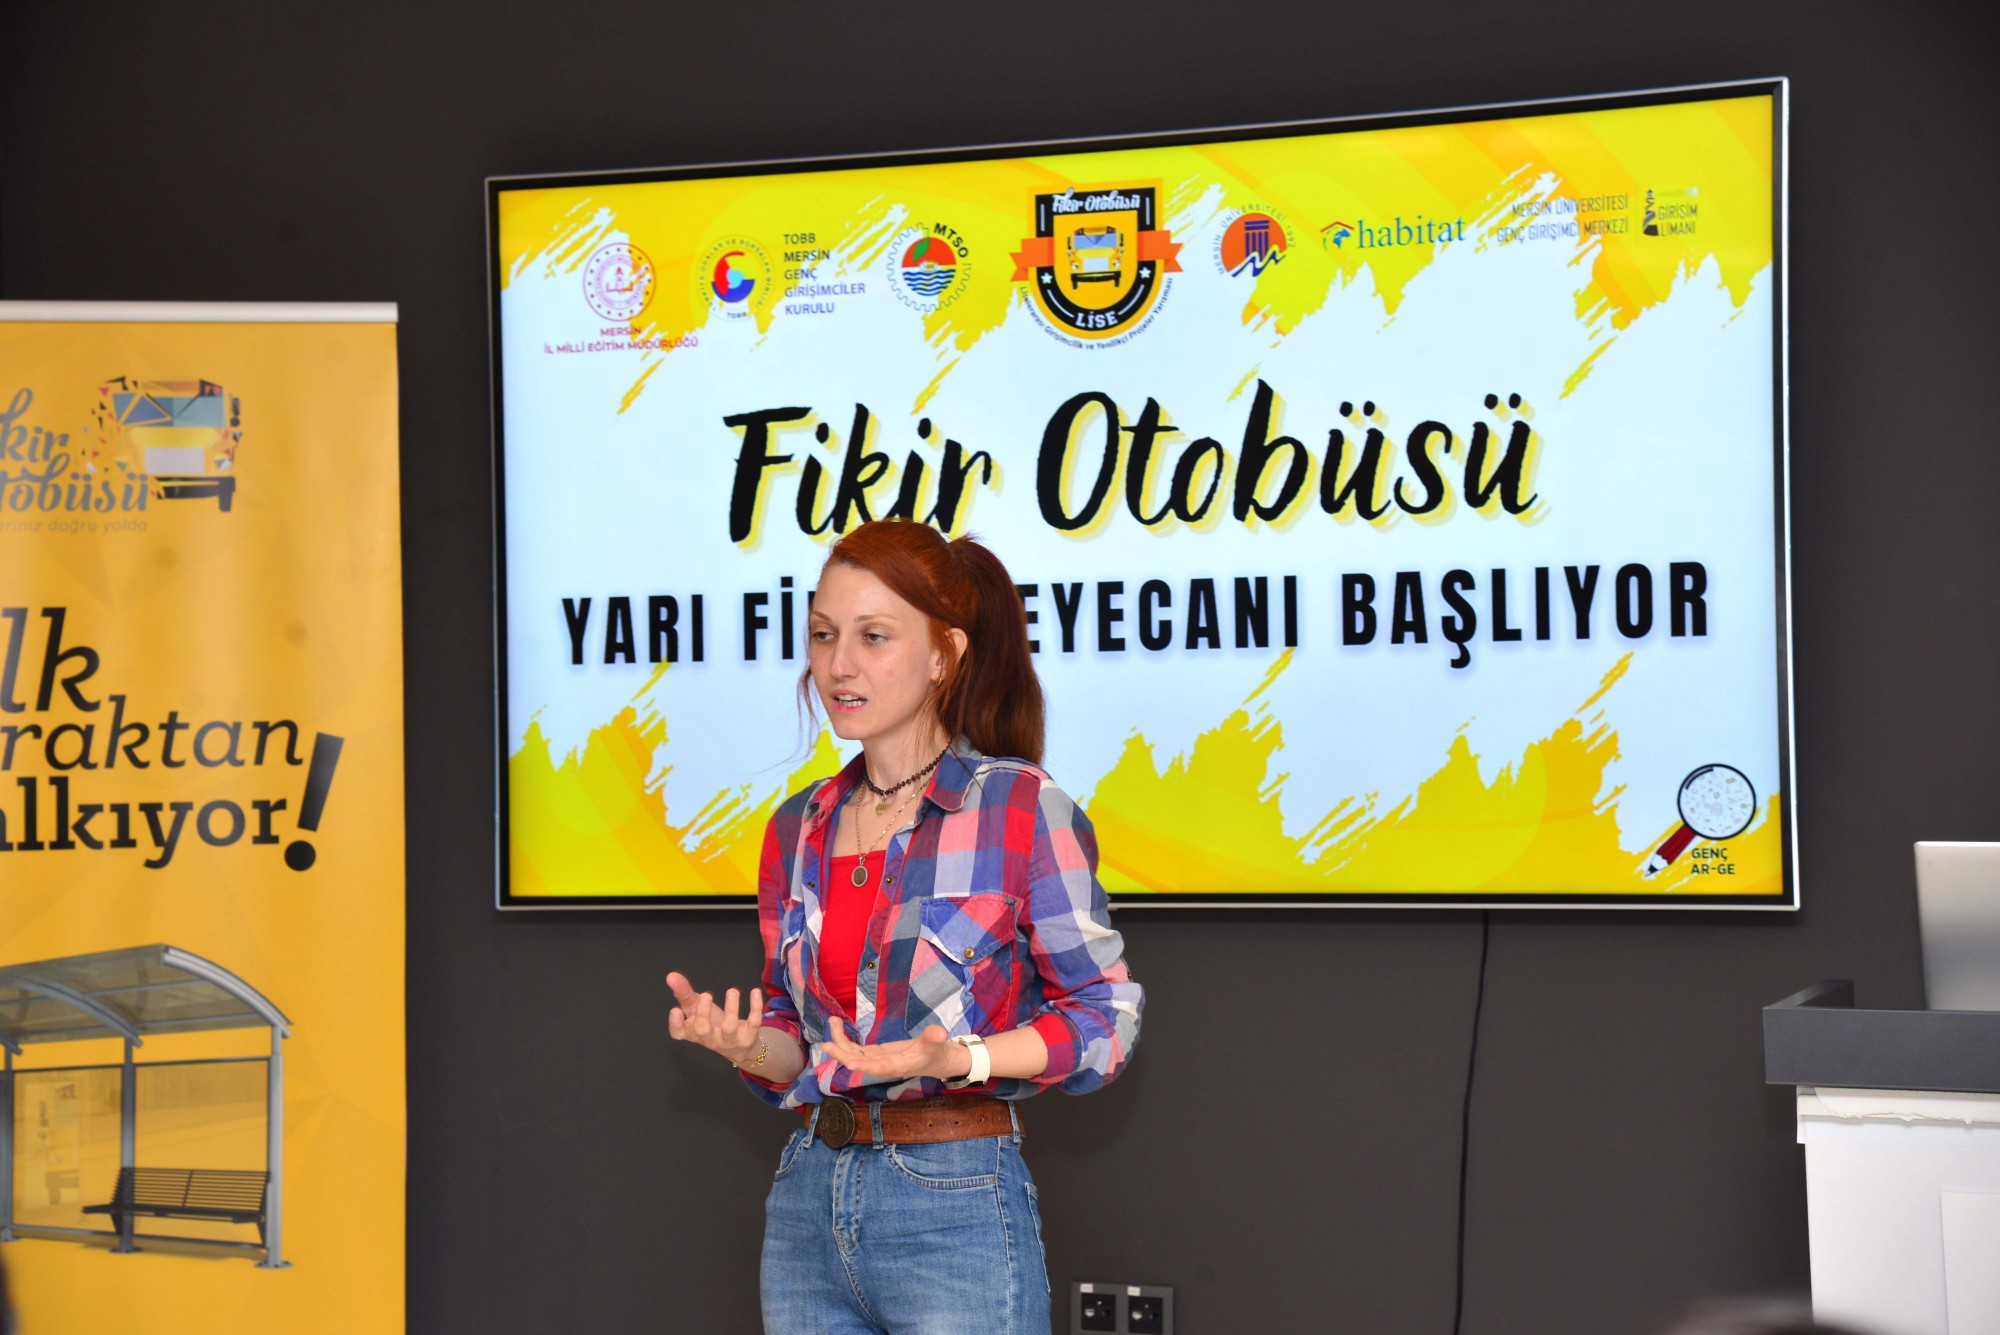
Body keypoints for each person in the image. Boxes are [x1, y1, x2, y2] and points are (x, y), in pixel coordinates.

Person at [665, 519, 1143, 1335]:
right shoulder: (795, 827)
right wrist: (745, 1046)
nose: (838, 664)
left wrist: (962, 1058)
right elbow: (798, 1045)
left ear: (944, 654)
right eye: (823, 634)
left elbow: (1106, 1021)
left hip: (954, 1200)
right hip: (807, 1201)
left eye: (873, 636)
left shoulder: (1021, 807)